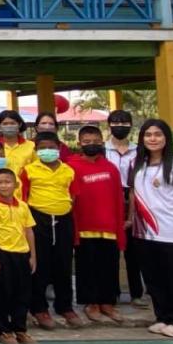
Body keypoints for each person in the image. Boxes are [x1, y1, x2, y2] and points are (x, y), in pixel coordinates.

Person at [129, 119, 173, 339]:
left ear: (166, 138)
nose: (152, 139)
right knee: (153, 279)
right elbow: (133, 194)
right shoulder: (137, 165)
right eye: (148, 135)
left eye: (157, 134)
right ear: (142, 139)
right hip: (143, 232)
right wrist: (130, 219)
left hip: (171, 232)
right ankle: (163, 317)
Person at [20, 130, 81, 330]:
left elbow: (74, 194)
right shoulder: (28, 170)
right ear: (36, 150)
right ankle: (39, 308)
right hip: (39, 219)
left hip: (63, 219)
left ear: (59, 148)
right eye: (42, 148)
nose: (47, 151)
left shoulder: (68, 170)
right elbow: (23, 195)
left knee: (63, 263)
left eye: (51, 148)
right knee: (40, 264)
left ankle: (65, 306)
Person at [69, 125, 127, 324]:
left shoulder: (111, 168)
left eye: (95, 142)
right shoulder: (71, 166)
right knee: (87, 267)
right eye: (86, 142)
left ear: (102, 142)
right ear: (79, 144)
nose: (91, 145)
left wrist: (120, 227)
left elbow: (118, 199)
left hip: (109, 227)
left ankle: (108, 303)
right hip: (84, 227)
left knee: (109, 267)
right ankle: (91, 303)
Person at [0, 168, 38, 344]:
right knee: (3, 294)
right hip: (2, 253)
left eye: (7, 182)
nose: (4, 185)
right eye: (0, 182)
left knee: (23, 293)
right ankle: (4, 330)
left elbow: (29, 231)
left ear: (16, 184)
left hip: (22, 254)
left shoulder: (23, 206)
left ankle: (20, 329)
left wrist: (33, 256)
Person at [105, 109, 144, 306]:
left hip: (134, 199)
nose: (120, 126)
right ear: (109, 125)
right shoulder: (102, 150)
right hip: (107, 201)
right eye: (115, 122)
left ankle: (137, 293)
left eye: (124, 122)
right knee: (110, 251)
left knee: (133, 251)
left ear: (131, 126)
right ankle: (112, 293)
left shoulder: (139, 151)